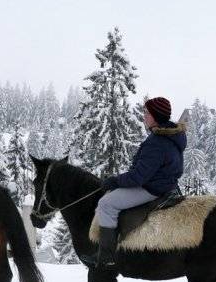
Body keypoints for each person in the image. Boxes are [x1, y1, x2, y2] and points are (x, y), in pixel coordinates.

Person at [80, 97, 187, 267]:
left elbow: (139, 177)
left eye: (148, 113)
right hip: (166, 186)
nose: (145, 116)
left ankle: (107, 255)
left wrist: (115, 181)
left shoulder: (157, 142)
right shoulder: (171, 137)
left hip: (151, 189)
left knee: (106, 203)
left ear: (156, 116)